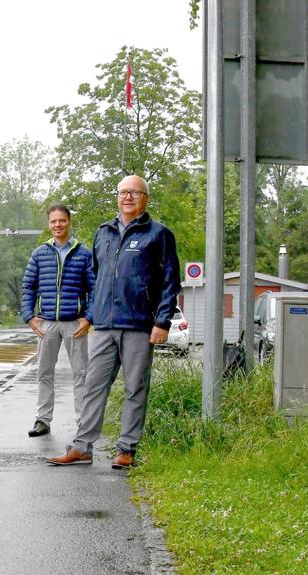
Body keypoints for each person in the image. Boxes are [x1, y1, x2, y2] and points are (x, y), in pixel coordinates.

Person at [48, 175, 180, 469]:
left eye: (135, 192)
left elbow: (171, 281)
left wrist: (162, 321)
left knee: (135, 388)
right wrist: (92, 314)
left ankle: (126, 449)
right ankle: (82, 446)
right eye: (123, 192)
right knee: (93, 385)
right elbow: (97, 279)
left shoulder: (158, 235)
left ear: (145, 198)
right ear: (117, 197)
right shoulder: (103, 232)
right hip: (105, 325)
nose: (128, 197)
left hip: (139, 324)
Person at [20, 204, 96, 437]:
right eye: (53, 221)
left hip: (75, 323)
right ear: (49, 224)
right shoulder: (39, 254)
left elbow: (95, 288)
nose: (57, 225)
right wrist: (29, 317)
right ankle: (42, 420)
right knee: (44, 372)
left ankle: (83, 422)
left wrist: (89, 318)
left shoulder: (83, 254)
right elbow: (28, 287)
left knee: (81, 373)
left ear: (69, 221)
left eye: (61, 220)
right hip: (47, 323)